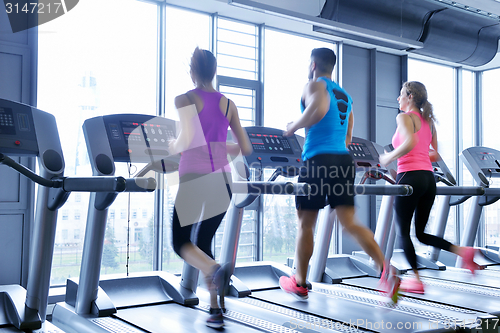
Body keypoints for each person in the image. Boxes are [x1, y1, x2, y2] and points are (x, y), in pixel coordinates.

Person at [280, 47, 399, 302]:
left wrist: (294, 126)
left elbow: (319, 108)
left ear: (313, 65)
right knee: (350, 222)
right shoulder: (345, 95)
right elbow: (348, 135)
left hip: (317, 160)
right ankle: (386, 269)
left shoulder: (314, 86)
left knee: (306, 223)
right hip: (343, 161)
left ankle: (299, 281)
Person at [168, 47, 252, 328]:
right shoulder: (229, 104)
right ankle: (215, 309)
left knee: (181, 242)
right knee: (203, 243)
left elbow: (187, 138)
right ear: (214, 72)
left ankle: (214, 269)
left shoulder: (185, 98)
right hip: (224, 182)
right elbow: (245, 147)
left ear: (192, 72)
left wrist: (171, 146)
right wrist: (219, 145)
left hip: (195, 178)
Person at [379, 81, 480, 294]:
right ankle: (463, 252)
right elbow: (434, 153)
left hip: (410, 177)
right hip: (428, 179)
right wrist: (415, 156)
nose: (398, 99)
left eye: (400, 95)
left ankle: (416, 280)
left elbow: (408, 143)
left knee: (403, 232)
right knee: (421, 234)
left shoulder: (403, 117)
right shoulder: (427, 121)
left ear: (410, 96)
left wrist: (388, 157)